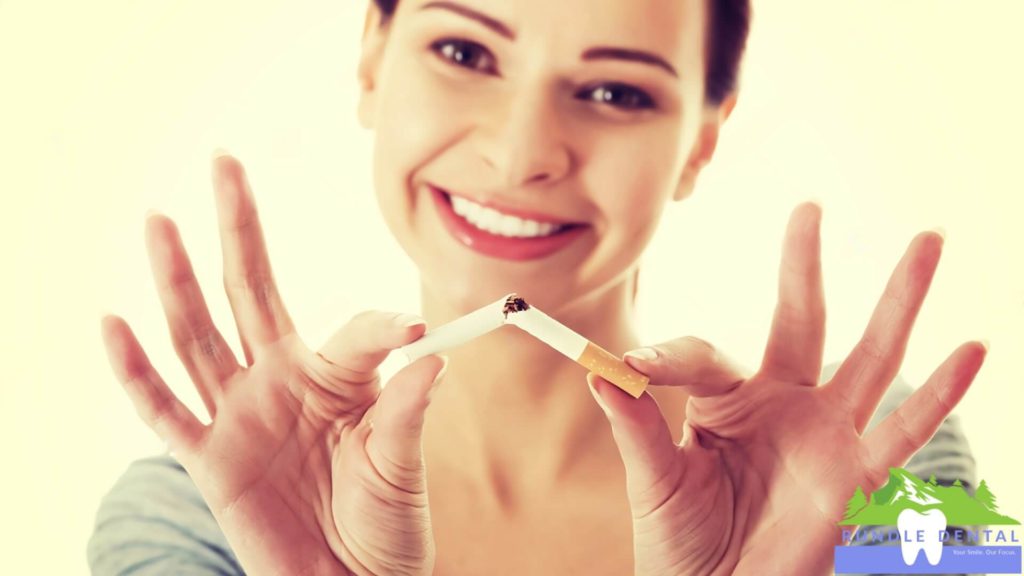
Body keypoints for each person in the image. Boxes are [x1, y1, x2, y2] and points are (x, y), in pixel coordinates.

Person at [88, 0, 984, 574]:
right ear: (371, 57)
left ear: (705, 140)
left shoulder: (885, 464)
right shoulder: (185, 519)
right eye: (464, 51)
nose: (520, 155)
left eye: (615, 93)